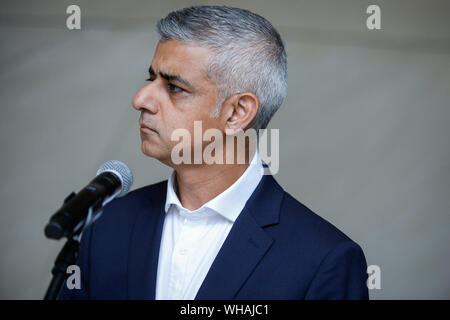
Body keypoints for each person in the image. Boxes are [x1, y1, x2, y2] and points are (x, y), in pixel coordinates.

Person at [58, 5, 369, 300]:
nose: (140, 99)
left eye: (174, 87)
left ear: (237, 113)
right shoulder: (106, 225)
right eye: (150, 78)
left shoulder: (324, 259)